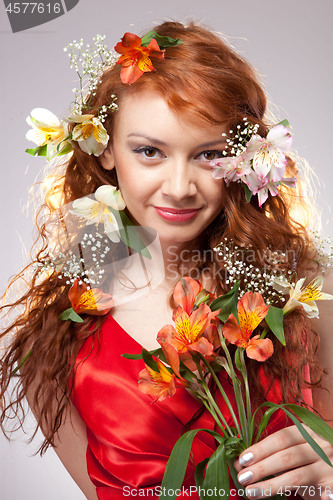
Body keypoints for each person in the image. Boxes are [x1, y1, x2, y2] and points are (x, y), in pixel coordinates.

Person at [1, 20, 333, 500]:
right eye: (150, 151)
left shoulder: (307, 290)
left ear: (241, 161)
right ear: (107, 149)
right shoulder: (52, 349)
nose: (179, 187)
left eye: (209, 155)